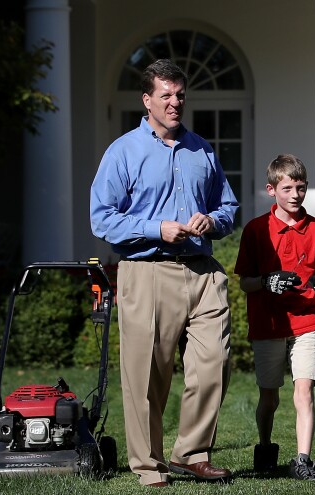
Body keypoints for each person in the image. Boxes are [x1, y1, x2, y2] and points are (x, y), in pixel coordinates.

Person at [90, 59, 238, 487]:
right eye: (166, 96)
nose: (175, 103)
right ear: (147, 100)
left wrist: (213, 220)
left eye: (180, 96)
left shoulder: (202, 150)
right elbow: (102, 220)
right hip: (147, 270)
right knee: (147, 377)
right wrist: (156, 228)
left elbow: (227, 207)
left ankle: (190, 453)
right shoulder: (123, 152)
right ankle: (148, 465)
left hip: (202, 271)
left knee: (215, 362)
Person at [234, 154, 315, 481]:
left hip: (307, 321)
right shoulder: (255, 230)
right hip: (269, 324)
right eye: (288, 188)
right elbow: (244, 282)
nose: (295, 195)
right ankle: (265, 447)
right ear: (271, 189)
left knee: (304, 390)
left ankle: (302, 460)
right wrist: (266, 281)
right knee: (269, 396)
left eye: (301, 187)